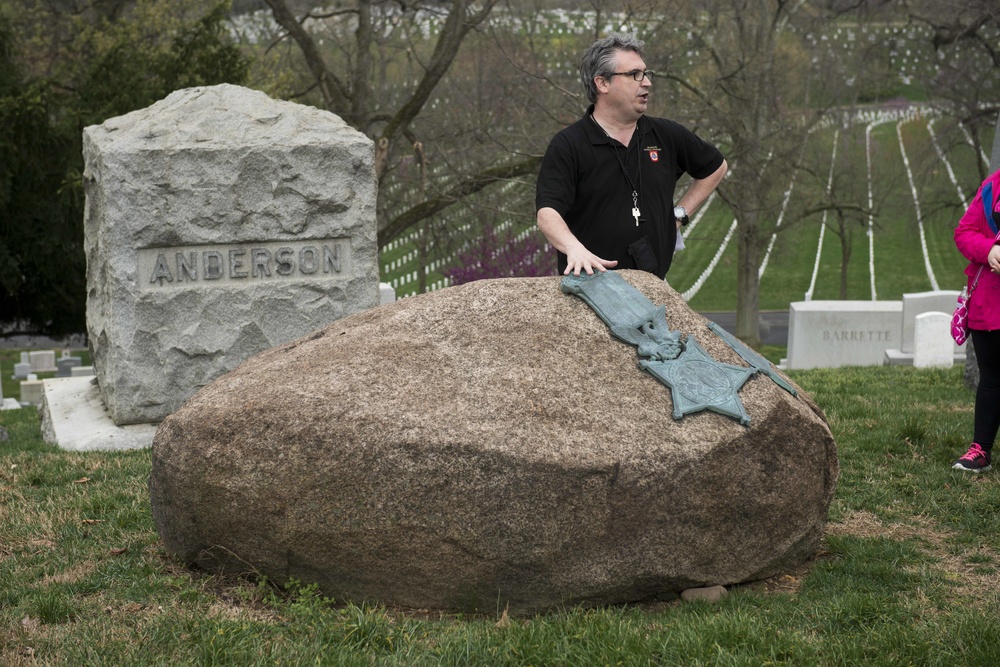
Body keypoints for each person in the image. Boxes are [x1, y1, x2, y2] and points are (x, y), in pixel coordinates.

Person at [536, 33, 728, 278]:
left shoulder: (667, 134)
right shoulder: (568, 144)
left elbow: (716, 167)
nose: (646, 82)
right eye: (634, 75)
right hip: (591, 289)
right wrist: (573, 248)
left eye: (646, 73)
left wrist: (680, 214)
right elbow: (547, 213)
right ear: (602, 83)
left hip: (654, 284)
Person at [953, 167, 1000, 473]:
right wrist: (989, 250)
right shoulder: (992, 186)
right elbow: (964, 232)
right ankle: (980, 450)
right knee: (992, 379)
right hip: (990, 304)